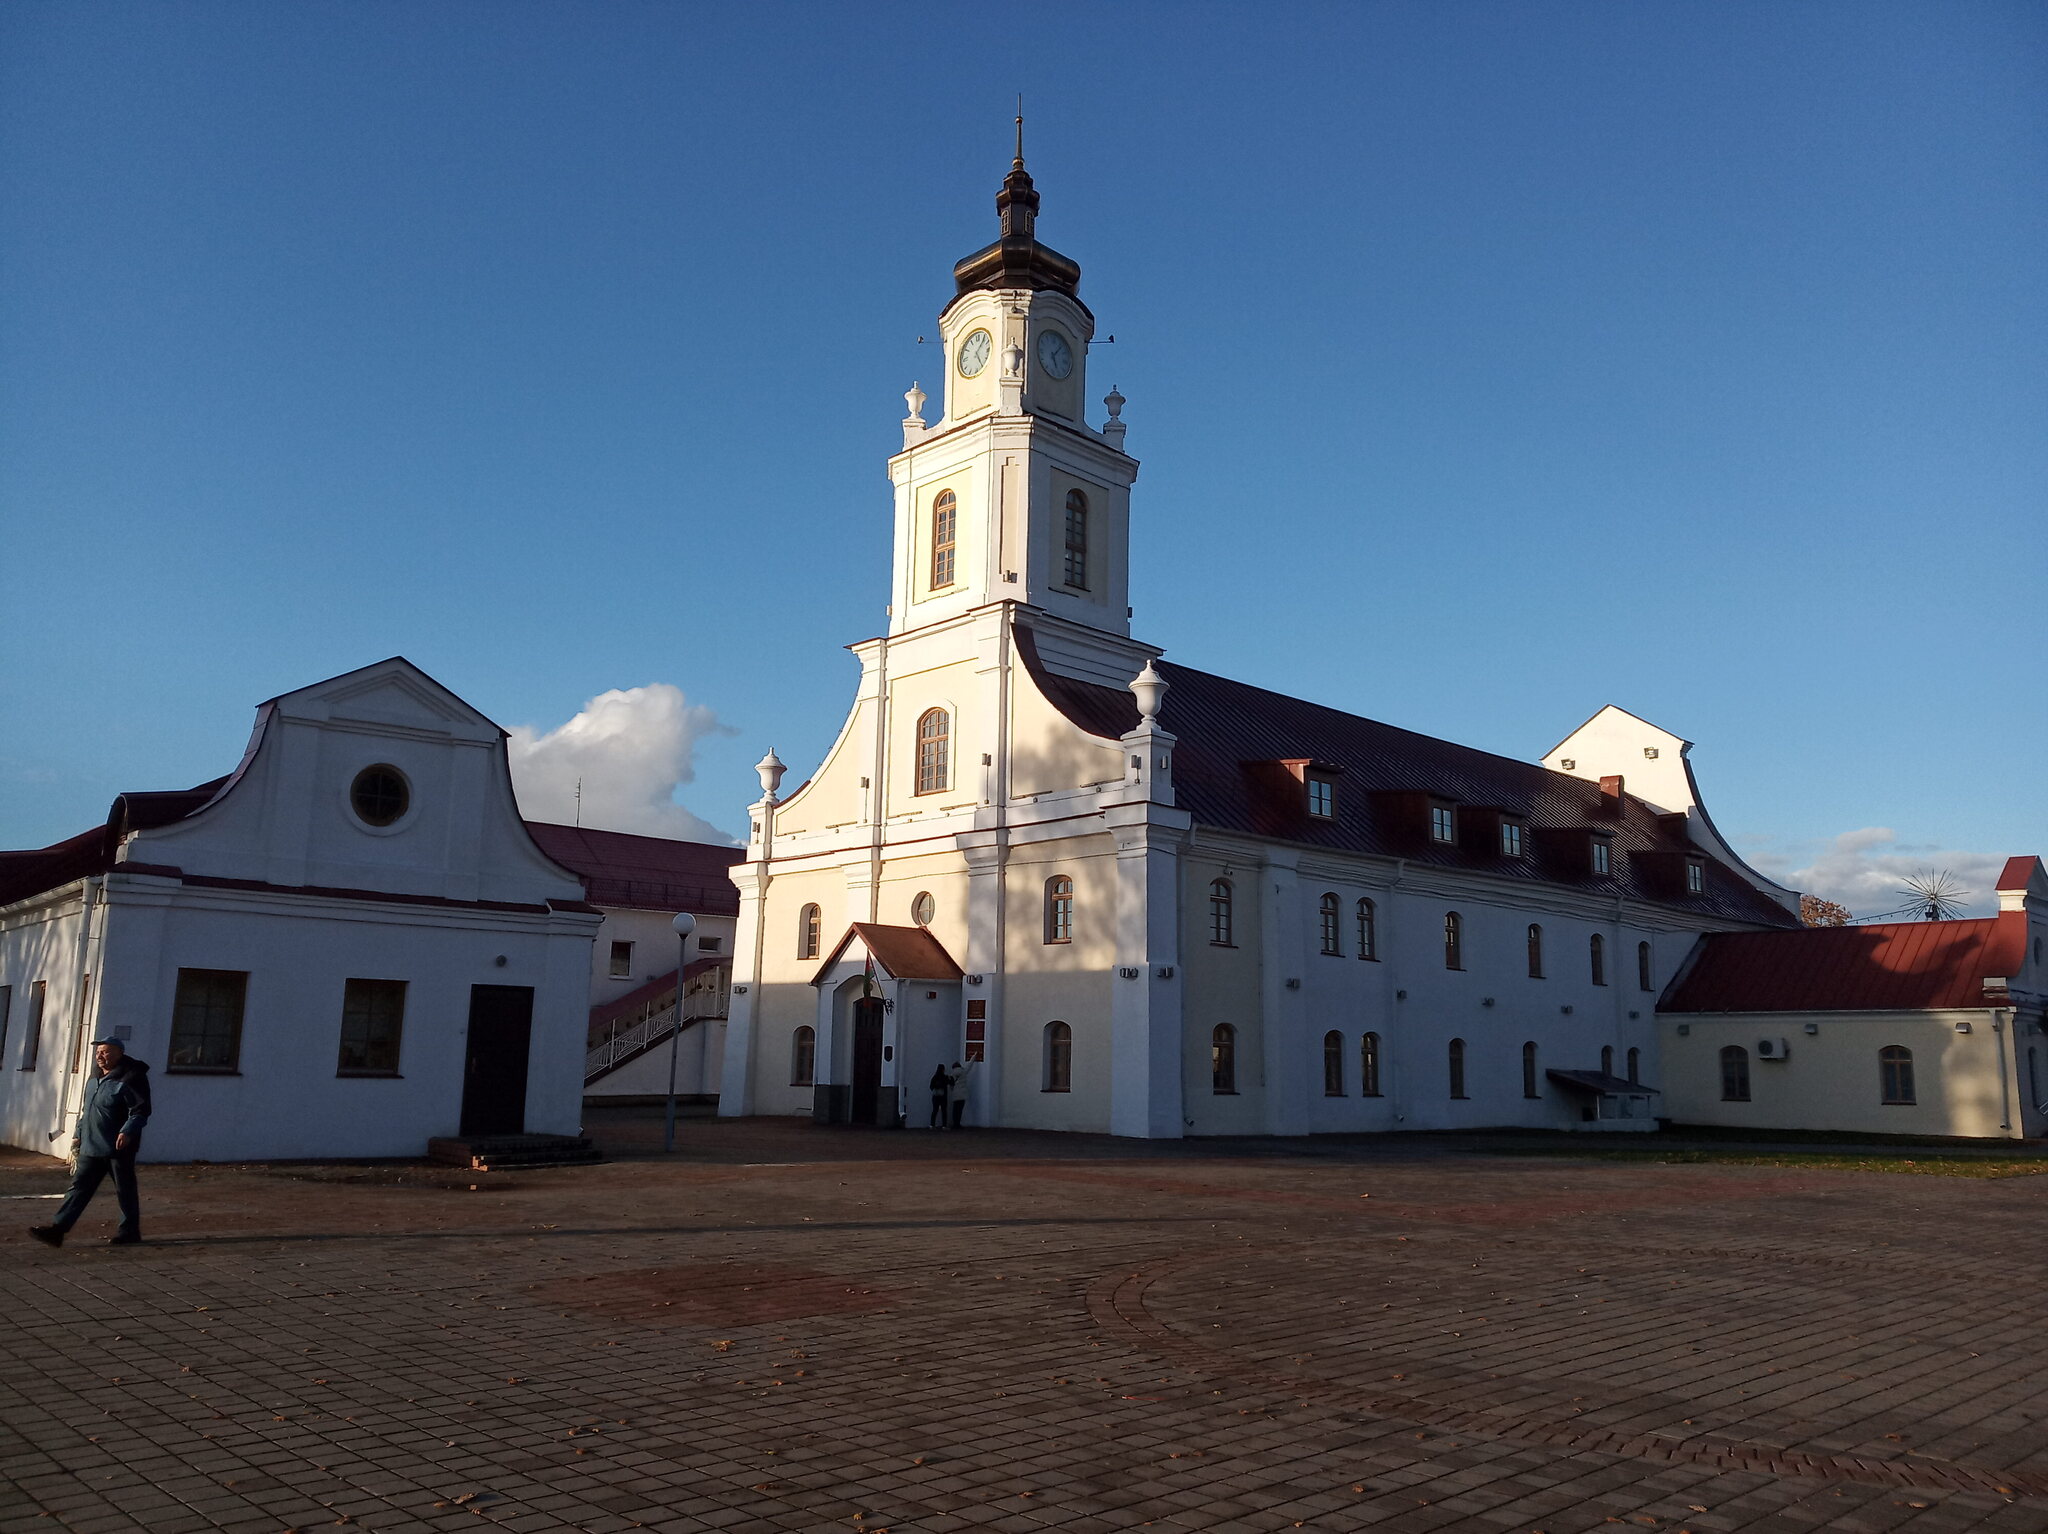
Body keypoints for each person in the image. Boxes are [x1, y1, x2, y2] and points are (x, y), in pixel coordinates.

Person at [29, 1038, 151, 1248]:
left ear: (119, 1053)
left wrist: (127, 1131)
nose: (99, 1056)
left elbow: (140, 1111)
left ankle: (129, 1231)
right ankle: (58, 1230)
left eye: (105, 1052)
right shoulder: (94, 1079)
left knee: (125, 1189)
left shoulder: (132, 1078)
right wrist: (78, 1133)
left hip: (118, 1148)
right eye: (98, 1053)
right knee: (78, 1187)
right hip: (91, 1145)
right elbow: (88, 1110)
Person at [948, 1059, 977, 1129]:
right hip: (962, 1094)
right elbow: (969, 1066)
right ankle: (958, 1124)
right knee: (960, 1110)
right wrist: (974, 1056)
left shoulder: (952, 1074)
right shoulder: (963, 1071)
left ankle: (955, 1124)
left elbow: (951, 1085)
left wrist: (952, 1090)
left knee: (955, 1110)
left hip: (955, 1094)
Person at [928, 1062, 950, 1129]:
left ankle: (932, 1125)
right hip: (943, 1096)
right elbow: (948, 1082)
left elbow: (931, 1086)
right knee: (944, 1111)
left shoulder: (934, 1077)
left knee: (935, 1110)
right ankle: (944, 1125)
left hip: (935, 1096)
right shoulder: (945, 1077)